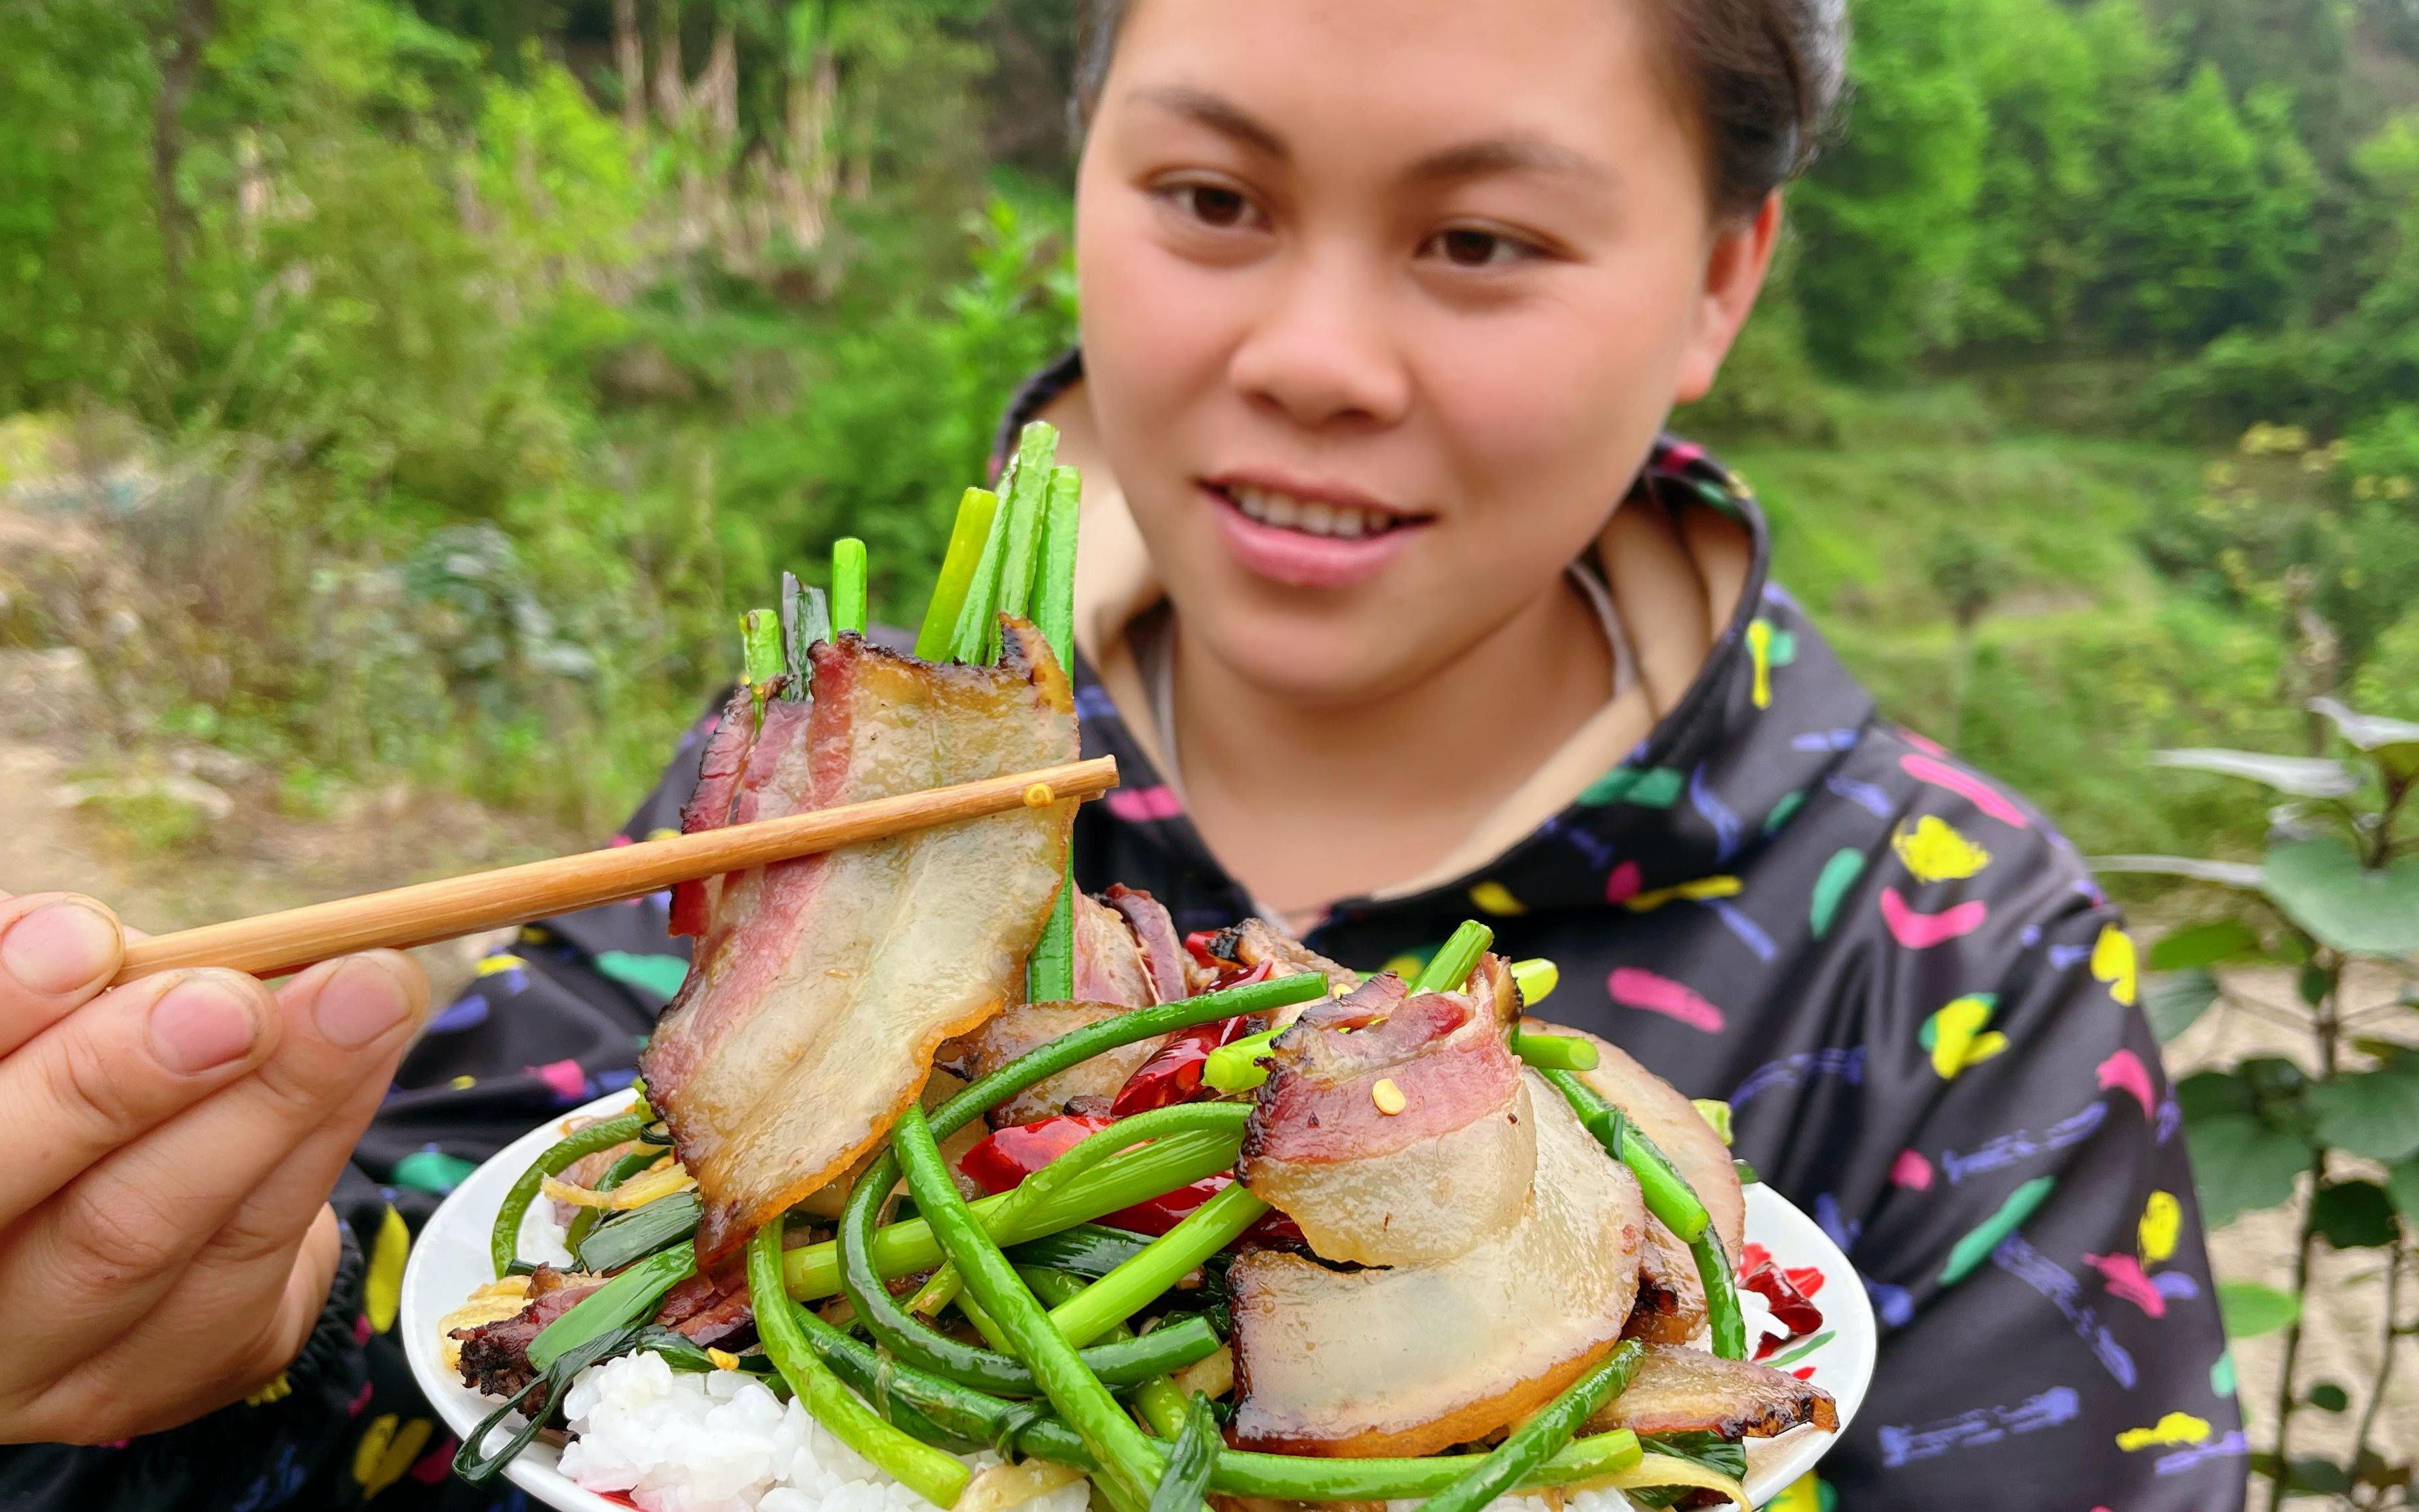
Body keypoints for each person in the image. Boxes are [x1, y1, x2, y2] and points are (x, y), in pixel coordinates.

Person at [0, 0, 2248, 1506]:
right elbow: (485, 1347)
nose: (1311, 355)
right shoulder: (836, 811)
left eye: (1477, 237)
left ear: (1718, 280)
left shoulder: (1961, 962)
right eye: (1208, 201)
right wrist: (218, 1351)